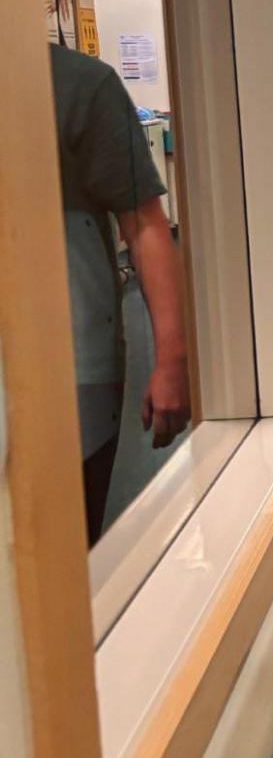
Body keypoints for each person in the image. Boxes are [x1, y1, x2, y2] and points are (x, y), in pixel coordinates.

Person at [50, 43, 191, 544]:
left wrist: (172, 362)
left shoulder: (80, 86)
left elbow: (145, 223)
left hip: (72, 375)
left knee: (62, 551)